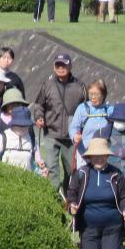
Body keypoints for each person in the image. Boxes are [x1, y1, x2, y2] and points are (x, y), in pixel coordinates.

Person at [32, 52, 87, 195]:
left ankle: (69, 199)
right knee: (52, 170)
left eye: (64, 65)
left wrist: (81, 130)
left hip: (71, 138)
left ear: (70, 66)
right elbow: (38, 104)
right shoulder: (48, 84)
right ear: (54, 66)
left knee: (72, 170)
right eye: (58, 65)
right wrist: (39, 117)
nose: (61, 68)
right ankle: (53, 199)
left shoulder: (80, 86)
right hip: (51, 134)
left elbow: (86, 110)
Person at [69, 79, 113, 168]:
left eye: (96, 94)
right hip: (84, 152)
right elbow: (73, 127)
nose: (92, 97)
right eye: (90, 94)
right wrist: (75, 136)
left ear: (103, 95)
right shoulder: (82, 108)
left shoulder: (110, 110)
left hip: (102, 153)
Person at [0, 106, 45, 173]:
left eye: (25, 125)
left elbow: (31, 165)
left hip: (26, 180)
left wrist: (40, 173)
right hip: (5, 179)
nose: (22, 127)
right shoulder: (3, 137)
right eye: (19, 125)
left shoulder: (31, 140)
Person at [0, 87, 31, 154]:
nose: (15, 106)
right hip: (0, 161)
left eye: (18, 104)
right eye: (12, 104)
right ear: (6, 105)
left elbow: (33, 144)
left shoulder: (26, 122)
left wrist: (38, 159)